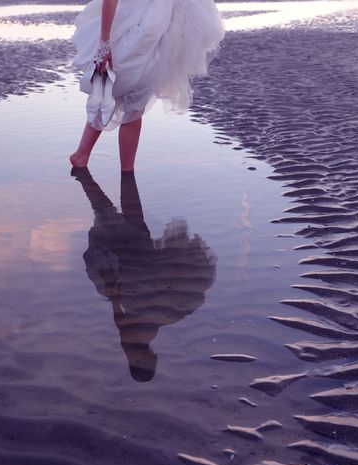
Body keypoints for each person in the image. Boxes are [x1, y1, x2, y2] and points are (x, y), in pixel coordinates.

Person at [72, 167, 217, 382]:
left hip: (141, 280)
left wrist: (113, 294)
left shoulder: (142, 337)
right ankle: (96, 177)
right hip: (137, 279)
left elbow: (121, 321)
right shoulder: (139, 338)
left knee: (124, 221)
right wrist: (113, 294)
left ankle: (101, 176)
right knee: (113, 218)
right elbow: (121, 322)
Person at [70, 0, 224, 172]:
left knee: (135, 104)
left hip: (159, 32)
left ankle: (126, 171)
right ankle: (82, 155)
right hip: (134, 27)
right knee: (113, 85)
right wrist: (104, 42)